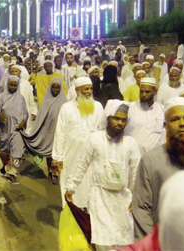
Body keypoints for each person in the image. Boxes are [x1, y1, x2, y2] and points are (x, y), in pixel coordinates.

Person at [65, 100, 141, 251]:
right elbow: (82, 164)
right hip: (99, 198)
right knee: (102, 242)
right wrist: (71, 186)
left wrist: (136, 196)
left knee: (123, 241)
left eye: (123, 120)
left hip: (122, 200)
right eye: (116, 118)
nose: (119, 123)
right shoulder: (95, 139)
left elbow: (136, 172)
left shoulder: (131, 144)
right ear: (108, 118)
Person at [132, 97, 184, 240]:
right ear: (165, 126)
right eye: (175, 119)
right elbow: (142, 210)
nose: (182, 124)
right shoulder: (151, 161)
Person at [52, 77, 105, 208]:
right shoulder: (67, 108)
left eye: (90, 89)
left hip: (92, 155)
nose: (89, 92)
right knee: (70, 184)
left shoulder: (97, 107)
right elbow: (60, 133)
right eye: (86, 89)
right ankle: (71, 213)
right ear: (77, 90)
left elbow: (102, 130)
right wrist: (58, 157)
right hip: (71, 154)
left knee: (90, 186)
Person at [21, 77, 67, 184]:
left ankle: (56, 174)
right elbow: (41, 117)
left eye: (57, 87)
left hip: (59, 133)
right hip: (48, 132)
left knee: (57, 154)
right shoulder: (45, 101)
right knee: (48, 155)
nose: (55, 89)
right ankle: (50, 173)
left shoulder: (64, 103)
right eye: (53, 87)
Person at [0, 76, 28, 185]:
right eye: (11, 85)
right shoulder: (2, 97)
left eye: (15, 85)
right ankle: (5, 168)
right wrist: (0, 115)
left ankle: (12, 174)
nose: (13, 87)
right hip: (5, 128)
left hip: (17, 128)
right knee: (5, 150)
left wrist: (23, 121)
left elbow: (25, 113)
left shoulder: (21, 98)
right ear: (7, 84)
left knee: (17, 151)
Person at [125, 78, 164, 155]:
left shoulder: (162, 109)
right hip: (134, 154)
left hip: (155, 155)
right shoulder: (130, 108)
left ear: (155, 92)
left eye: (147, 92)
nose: (143, 95)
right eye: (141, 91)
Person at [9, 65, 37, 134]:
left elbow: (31, 99)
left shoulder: (26, 83)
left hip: (25, 111)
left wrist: (34, 112)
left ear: (20, 72)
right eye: (12, 71)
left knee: (26, 130)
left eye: (16, 71)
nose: (14, 73)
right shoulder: (8, 84)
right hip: (12, 111)